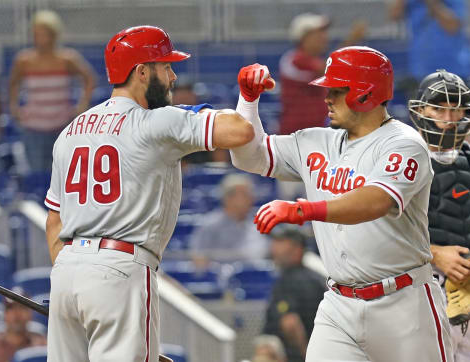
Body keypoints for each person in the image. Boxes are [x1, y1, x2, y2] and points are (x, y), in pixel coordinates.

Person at [44, 25, 254, 362]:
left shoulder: (70, 132)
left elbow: (54, 221)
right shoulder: (156, 121)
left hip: (67, 269)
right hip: (120, 268)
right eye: (166, 67)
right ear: (142, 72)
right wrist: (220, 106)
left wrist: (77, 277)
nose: (172, 77)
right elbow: (241, 131)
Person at [230, 46, 453, 361]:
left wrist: (304, 210)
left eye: (336, 90)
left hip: (404, 303)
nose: (327, 98)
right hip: (339, 303)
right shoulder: (316, 141)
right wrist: (248, 101)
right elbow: (250, 157)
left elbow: (375, 202)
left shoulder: (404, 143)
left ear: (365, 94)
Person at [408, 69, 470, 362]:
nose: (448, 118)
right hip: (421, 284)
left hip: (469, 285)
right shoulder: (402, 156)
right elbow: (382, 228)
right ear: (421, 110)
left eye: (455, 109)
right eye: (438, 108)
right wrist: (435, 254)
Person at [9, 10, 95, 173]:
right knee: (37, 174)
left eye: (44, 34)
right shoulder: (24, 60)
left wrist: (82, 106)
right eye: (36, 34)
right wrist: (14, 108)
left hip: (62, 126)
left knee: (63, 172)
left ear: (54, 35)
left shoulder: (67, 58)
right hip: (33, 128)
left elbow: (89, 79)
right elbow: (13, 84)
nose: (40, 39)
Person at [278, 13, 366, 135]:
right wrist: (352, 41)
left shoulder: (313, 61)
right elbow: (329, 69)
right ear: (304, 37)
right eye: (318, 34)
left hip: (315, 136)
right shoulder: (295, 59)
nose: (324, 38)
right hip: (295, 137)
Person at [263, 225, 326, 362]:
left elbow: (290, 323)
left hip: (294, 355)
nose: (274, 248)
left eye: (281, 242)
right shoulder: (317, 278)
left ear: (297, 249)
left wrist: (306, 356)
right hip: (320, 349)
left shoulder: (288, 280)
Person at [190, 173, 268, 268]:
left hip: (252, 278)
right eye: (245, 195)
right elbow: (198, 259)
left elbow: (263, 255)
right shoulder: (210, 225)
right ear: (227, 198)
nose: (251, 199)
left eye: (249, 195)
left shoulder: (257, 225)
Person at [388, 0, 470, 81]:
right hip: (421, 68)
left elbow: (452, 26)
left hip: (453, 68)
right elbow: (395, 16)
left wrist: (432, 3)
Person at [0, 289, 47, 362]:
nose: (17, 314)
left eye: (22, 307)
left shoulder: (41, 345)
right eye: (10, 308)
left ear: (31, 313)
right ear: (4, 314)